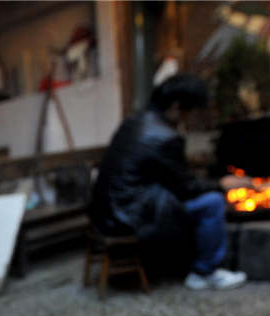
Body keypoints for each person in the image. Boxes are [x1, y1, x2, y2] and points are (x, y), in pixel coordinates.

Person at [89, 73, 248, 291]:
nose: (194, 118)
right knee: (212, 203)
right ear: (176, 107)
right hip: (129, 217)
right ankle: (205, 272)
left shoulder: (134, 122)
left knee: (193, 201)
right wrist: (222, 184)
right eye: (193, 112)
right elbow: (187, 189)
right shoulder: (165, 137)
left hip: (106, 214)